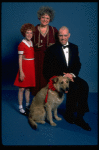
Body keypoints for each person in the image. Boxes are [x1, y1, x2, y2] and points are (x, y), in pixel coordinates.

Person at [43, 26, 91, 131]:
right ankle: (69, 114)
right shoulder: (51, 49)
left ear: (69, 35)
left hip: (71, 76)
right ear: (58, 36)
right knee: (73, 88)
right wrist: (63, 75)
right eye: (61, 35)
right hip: (60, 78)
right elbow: (47, 68)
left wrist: (72, 75)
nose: (63, 38)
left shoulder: (74, 47)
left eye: (65, 35)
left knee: (84, 85)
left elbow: (78, 64)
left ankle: (80, 116)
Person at [31, 6, 58, 96]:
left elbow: (61, 43)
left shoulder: (54, 30)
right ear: (39, 17)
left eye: (47, 18)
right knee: (37, 80)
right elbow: (28, 45)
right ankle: (37, 102)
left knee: (48, 79)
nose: (45, 20)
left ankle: (48, 100)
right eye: (43, 17)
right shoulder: (33, 30)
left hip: (50, 60)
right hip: (37, 60)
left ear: (50, 19)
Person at [14, 23, 36, 115]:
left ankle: (27, 105)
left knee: (28, 88)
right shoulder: (21, 44)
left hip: (31, 67)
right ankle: (20, 107)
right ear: (24, 33)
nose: (29, 35)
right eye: (27, 33)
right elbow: (20, 58)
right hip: (24, 68)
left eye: (31, 33)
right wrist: (21, 72)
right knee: (22, 89)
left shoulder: (31, 43)